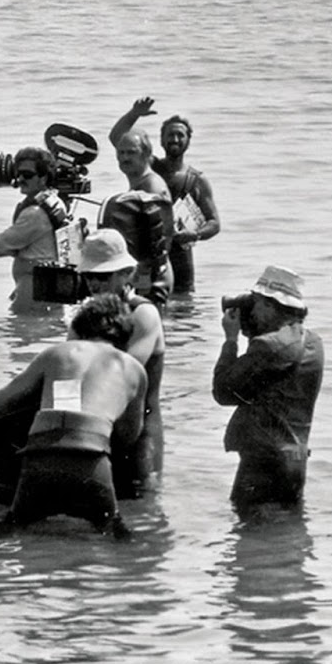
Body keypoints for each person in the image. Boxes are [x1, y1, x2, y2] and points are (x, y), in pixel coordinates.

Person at [0, 292, 147, 534]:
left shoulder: (58, 353)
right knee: (112, 532)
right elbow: (129, 434)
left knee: (14, 528)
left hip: (40, 455)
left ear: (79, 326)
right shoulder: (133, 369)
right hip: (92, 457)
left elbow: (5, 398)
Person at [213, 266, 325, 512]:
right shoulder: (312, 342)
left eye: (256, 303)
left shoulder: (269, 347)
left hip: (264, 463)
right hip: (294, 458)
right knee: (286, 528)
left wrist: (231, 340)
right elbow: (271, 380)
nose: (251, 309)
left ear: (270, 306)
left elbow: (223, 391)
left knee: (252, 529)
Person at [77, 229, 166, 495]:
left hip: (140, 431)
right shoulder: (86, 314)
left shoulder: (143, 313)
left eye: (103, 276)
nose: (95, 284)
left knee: (142, 504)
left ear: (126, 273)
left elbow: (122, 374)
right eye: (89, 276)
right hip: (97, 428)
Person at [111, 97, 220, 293]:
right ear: (161, 140)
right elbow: (118, 138)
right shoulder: (151, 166)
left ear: (188, 141)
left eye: (180, 135)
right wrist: (133, 114)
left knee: (183, 304)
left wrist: (195, 234)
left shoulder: (197, 180)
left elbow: (214, 223)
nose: (175, 140)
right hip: (151, 253)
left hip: (181, 257)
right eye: (170, 135)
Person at [102, 115, 176, 302]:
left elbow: (165, 235)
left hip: (152, 275)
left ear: (146, 154)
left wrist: (142, 273)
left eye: (131, 153)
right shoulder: (138, 182)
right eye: (121, 153)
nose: (124, 158)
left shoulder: (152, 187)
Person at [0, 145, 69, 310]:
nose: (20, 179)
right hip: (50, 283)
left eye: (27, 175)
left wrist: (17, 250)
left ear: (43, 178)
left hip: (35, 284)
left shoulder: (34, 214)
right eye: (18, 173)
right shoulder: (55, 201)